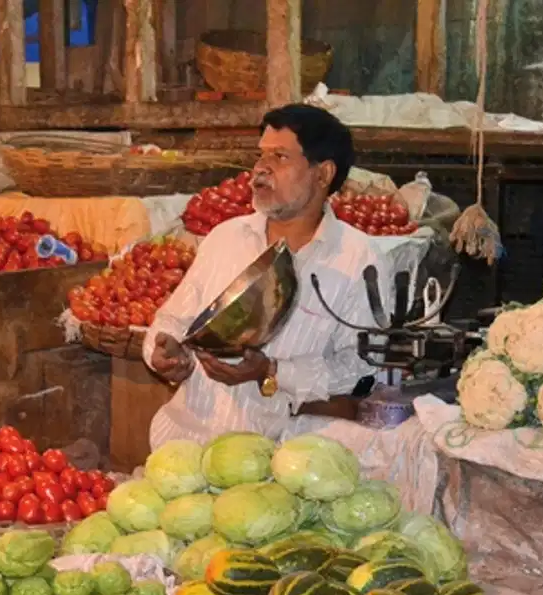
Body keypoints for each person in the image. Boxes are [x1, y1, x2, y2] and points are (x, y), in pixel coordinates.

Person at [141, 103, 389, 448]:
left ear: (323, 174)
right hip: (187, 442)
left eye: (280, 157)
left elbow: (361, 369)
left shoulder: (359, 259)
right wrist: (163, 350)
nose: (260, 169)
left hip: (283, 457)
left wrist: (272, 371)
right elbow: (171, 320)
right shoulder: (226, 237)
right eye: (261, 156)